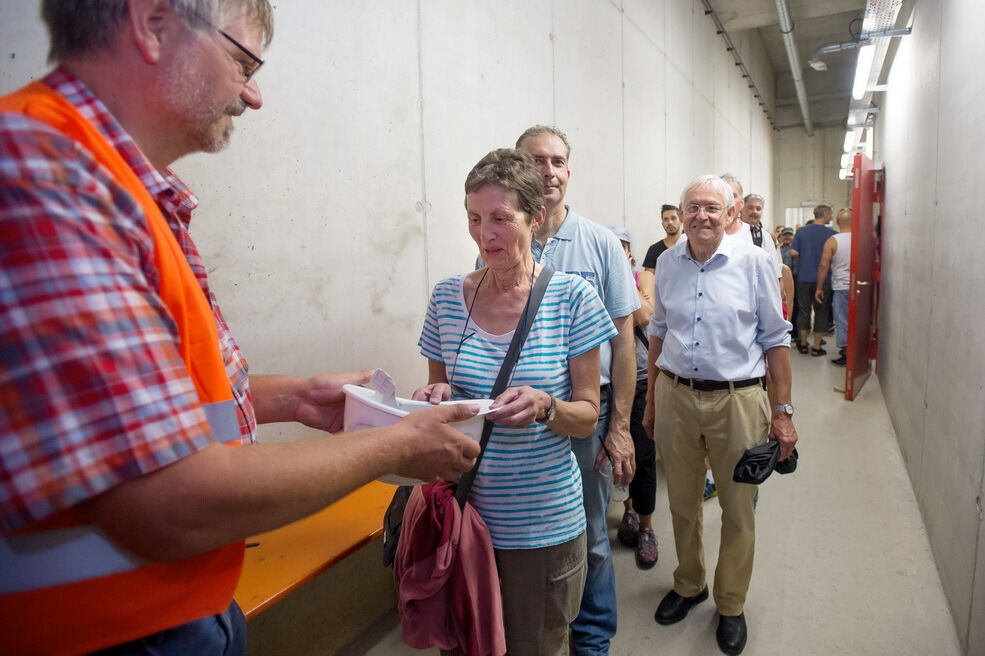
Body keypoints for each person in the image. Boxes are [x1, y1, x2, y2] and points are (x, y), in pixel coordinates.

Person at [0, 2, 480, 653]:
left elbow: (138, 410)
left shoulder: (119, 187)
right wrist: (393, 448)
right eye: (242, 62)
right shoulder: (47, 175)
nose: (253, 94)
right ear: (151, 22)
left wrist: (291, 397)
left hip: (173, 612)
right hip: (109, 635)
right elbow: (169, 504)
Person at [414, 148, 616, 655]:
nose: (485, 234)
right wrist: (435, 398)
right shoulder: (445, 299)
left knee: (534, 645)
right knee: (463, 645)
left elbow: (588, 416)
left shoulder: (572, 298)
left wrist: (548, 406)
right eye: (475, 219)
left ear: (536, 217)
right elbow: (442, 401)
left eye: (501, 218)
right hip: (464, 515)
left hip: (542, 529)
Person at [644, 175, 797, 655]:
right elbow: (657, 332)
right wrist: (650, 400)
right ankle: (690, 584)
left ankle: (730, 603)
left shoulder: (754, 262)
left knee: (737, 509)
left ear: (731, 214)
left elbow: (776, 338)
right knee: (683, 502)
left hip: (738, 399)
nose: (701, 216)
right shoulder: (667, 262)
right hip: (675, 395)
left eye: (712, 207)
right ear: (681, 214)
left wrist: (783, 412)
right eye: (693, 207)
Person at [515, 125, 640, 655]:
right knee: (534, 531)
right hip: (526, 418)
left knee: (590, 534)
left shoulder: (601, 244)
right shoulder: (504, 239)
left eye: (559, 161)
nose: (549, 171)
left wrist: (620, 428)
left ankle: (591, 643)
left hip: (589, 416)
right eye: (536, 161)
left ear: (570, 171)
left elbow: (627, 345)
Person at [609, 226, 659, 570]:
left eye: (622, 247)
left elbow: (644, 316)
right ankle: (626, 513)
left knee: (642, 454)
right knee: (617, 458)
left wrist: (623, 274)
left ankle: (647, 527)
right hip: (606, 380)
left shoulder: (643, 277)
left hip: (639, 378)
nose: (618, 252)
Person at [790, 204, 837, 355]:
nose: (831, 217)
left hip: (804, 277)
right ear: (826, 215)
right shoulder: (832, 234)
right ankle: (817, 347)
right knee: (821, 312)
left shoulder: (801, 232)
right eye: (830, 214)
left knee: (804, 310)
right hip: (823, 279)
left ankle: (803, 344)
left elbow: (793, 251)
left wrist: (802, 260)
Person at [815, 208, 853, 366]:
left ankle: (846, 354)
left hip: (841, 287)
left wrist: (819, 287)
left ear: (837, 222)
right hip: (859, 287)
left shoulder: (833, 241)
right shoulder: (861, 239)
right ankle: (856, 353)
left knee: (842, 320)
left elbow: (824, 266)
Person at [638, 204, 683, 295]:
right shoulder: (654, 250)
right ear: (662, 224)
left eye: (673, 218)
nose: (670, 222)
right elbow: (648, 282)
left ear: (681, 220)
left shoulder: (690, 247)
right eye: (665, 219)